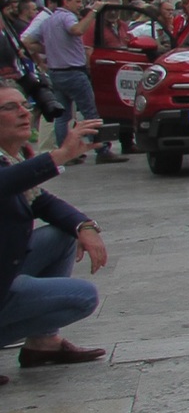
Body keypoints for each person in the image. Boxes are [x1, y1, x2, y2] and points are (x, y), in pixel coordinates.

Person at [0, 86, 110, 385]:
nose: (24, 113)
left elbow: (41, 201)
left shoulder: (8, 157)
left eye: (25, 104)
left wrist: (84, 226)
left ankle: (43, 344)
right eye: (10, 108)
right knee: (82, 297)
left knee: (63, 234)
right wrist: (60, 155)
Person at [23, 0, 123, 164]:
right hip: (73, 72)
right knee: (90, 113)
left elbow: (28, 42)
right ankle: (102, 149)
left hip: (56, 72)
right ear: (65, 1)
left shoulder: (48, 20)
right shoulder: (67, 17)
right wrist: (94, 12)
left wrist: (53, 50)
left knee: (63, 116)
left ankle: (66, 154)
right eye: (77, 1)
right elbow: (77, 30)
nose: (80, 5)